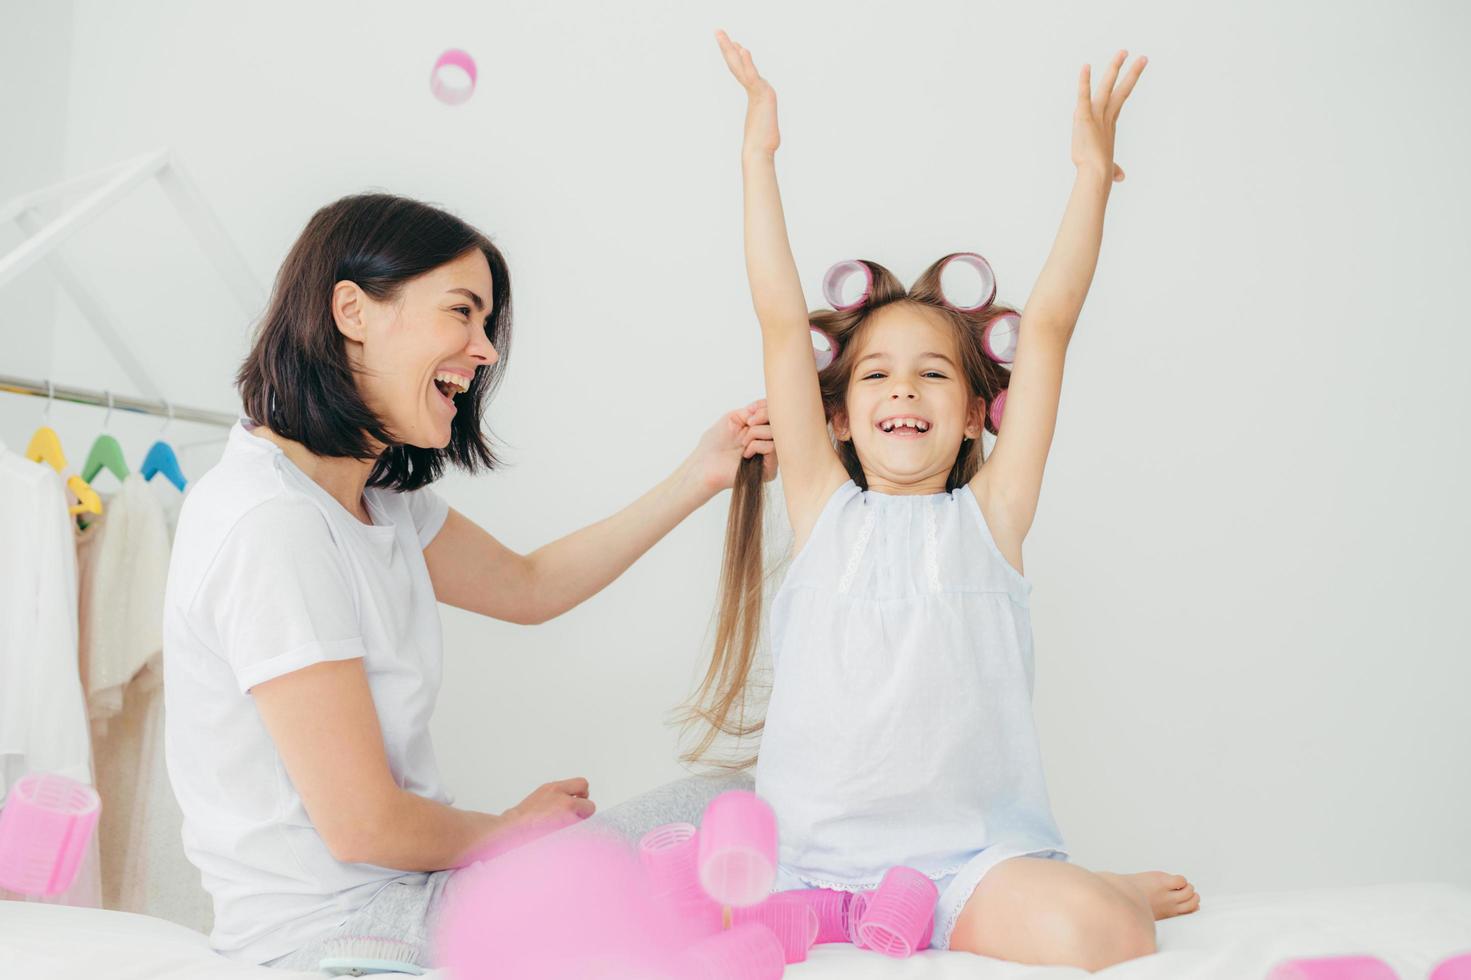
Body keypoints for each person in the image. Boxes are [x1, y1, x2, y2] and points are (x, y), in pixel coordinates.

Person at [677, 32, 1198, 969]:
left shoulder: (991, 519)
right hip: (807, 866)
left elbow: (1046, 328)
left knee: (1104, 933)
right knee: (670, 910)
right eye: (874, 375)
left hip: (966, 867)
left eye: (932, 376)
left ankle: (1096, 886)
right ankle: (844, 911)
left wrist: (1089, 177)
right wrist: (757, 156)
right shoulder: (820, 504)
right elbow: (777, 320)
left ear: (971, 419)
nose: (902, 392)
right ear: (837, 417)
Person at [160, 192, 777, 968]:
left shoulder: (374, 499)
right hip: (341, 938)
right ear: (352, 310)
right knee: (720, 813)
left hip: (406, 902)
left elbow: (529, 585)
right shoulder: (271, 524)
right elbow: (363, 825)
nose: (483, 351)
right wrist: (510, 835)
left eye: (486, 325)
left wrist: (700, 475)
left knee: (727, 806)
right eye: (463, 313)